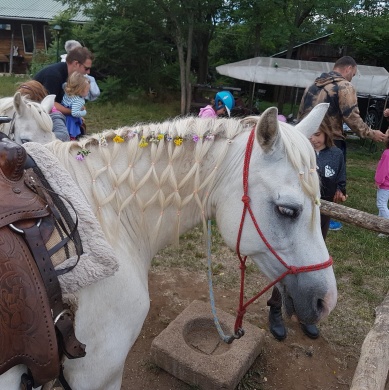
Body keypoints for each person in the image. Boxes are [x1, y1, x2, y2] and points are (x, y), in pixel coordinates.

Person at [268, 126, 347, 341]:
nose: (313, 139)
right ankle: (275, 308)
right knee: (290, 263)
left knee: (312, 263)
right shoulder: (301, 152)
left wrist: (341, 189)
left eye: (318, 135)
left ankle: (306, 314)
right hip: (300, 217)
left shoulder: (336, 154)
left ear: (327, 136)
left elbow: (340, 177)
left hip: (321, 218)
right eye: (311, 134)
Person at [297, 56, 387, 231]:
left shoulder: (312, 85)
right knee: (330, 183)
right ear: (348, 68)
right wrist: (370, 133)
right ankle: (326, 218)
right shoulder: (345, 86)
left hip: (306, 140)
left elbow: (301, 114)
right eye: (354, 73)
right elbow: (351, 117)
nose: (353, 76)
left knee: (306, 177)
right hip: (331, 142)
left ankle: (304, 212)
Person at [34, 46, 94, 115]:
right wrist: (74, 113)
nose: (88, 72)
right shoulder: (54, 76)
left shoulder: (68, 75)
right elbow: (50, 104)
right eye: (86, 68)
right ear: (76, 64)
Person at [61, 72, 90, 140]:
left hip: (64, 116)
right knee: (71, 136)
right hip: (71, 121)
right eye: (87, 90)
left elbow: (64, 84)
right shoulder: (79, 101)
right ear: (81, 90)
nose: (88, 92)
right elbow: (74, 113)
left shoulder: (68, 91)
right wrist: (84, 112)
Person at [375, 137, 389, 237]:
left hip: (385, 184)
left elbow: (384, 169)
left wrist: (378, 180)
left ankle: (387, 227)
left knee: (381, 204)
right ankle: (380, 224)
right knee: (382, 203)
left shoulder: (387, 153)